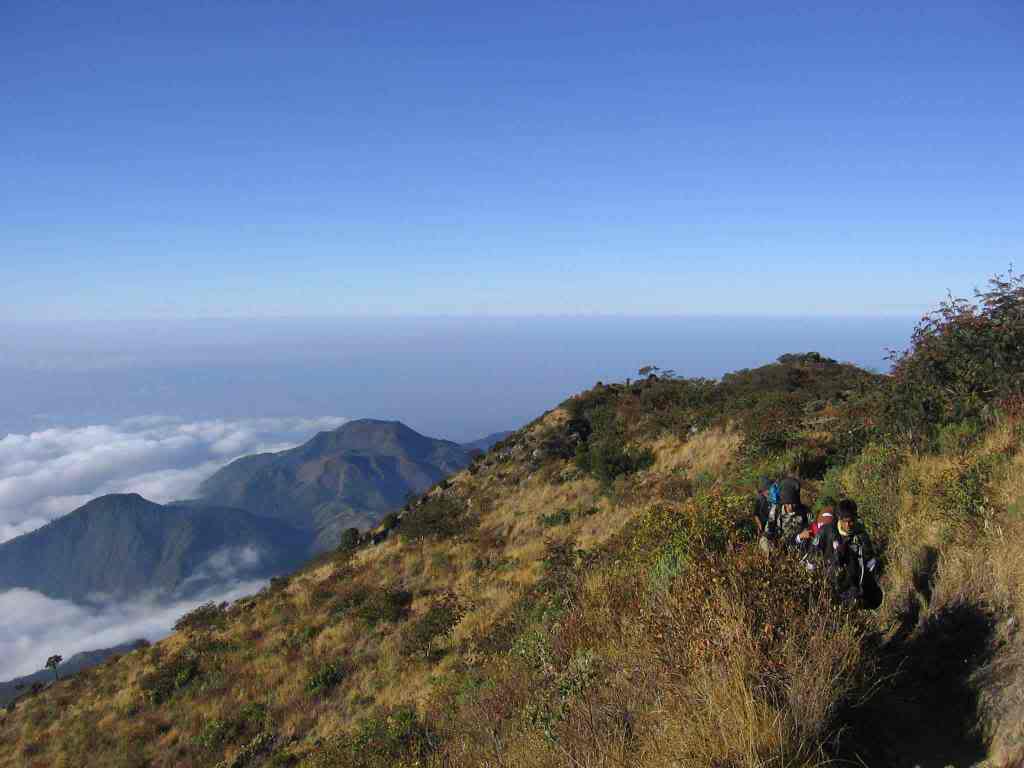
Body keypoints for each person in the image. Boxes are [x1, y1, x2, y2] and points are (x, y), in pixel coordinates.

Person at [816, 499, 882, 608]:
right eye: (844, 521)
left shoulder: (861, 536)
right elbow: (812, 557)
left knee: (875, 598)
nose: (848, 525)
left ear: (855, 519)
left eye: (851, 521)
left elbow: (869, 562)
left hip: (853, 587)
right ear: (839, 519)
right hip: (829, 584)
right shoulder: (826, 532)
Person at [777, 477, 812, 551]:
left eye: (794, 503)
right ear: (784, 502)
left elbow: (812, 530)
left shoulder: (805, 512)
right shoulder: (776, 512)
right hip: (779, 549)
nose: (791, 507)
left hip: (799, 550)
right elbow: (767, 534)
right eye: (788, 503)